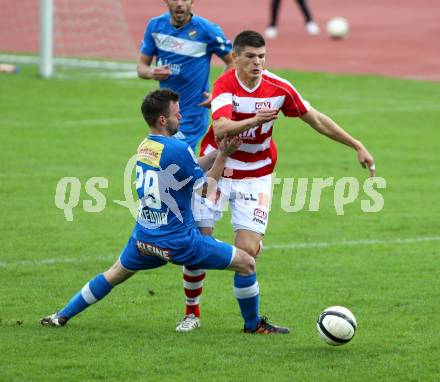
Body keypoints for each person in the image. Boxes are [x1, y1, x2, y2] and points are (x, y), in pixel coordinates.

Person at [40, 88, 290, 335]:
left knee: (113, 274)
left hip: (145, 237)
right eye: (176, 114)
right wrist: (223, 157)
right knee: (246, 263)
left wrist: (216, 153)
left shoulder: (147, 146)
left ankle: (61, 315)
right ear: (163, 120)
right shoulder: (177, 149)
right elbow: (205, 191)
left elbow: (188, 168)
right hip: (179, 242)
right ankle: (252, 325)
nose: (180, 117)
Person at [177, 30, 375, 331]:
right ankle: (192, 312)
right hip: (217, 169)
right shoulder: (225, 84)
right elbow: (221, 129)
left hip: (256, 176)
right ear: (236, 57)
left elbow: (316, 119)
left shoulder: (278, 87)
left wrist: (357, 144)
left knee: (247, 254)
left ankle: (252, 324)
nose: (257, 63)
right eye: (250, 57)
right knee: (198, 245)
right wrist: (256, 119)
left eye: (261, 57)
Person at [137, 0, 234, 151]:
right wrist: (151, 72)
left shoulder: (206, 30)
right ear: (166, 2)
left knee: (174, 156)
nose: (179, 4)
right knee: (171, 162)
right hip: (165, 112)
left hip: (192, 113)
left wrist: (218, 93)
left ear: (192, 2)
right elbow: (141, 67)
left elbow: (233, 61)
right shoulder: (155, 26)